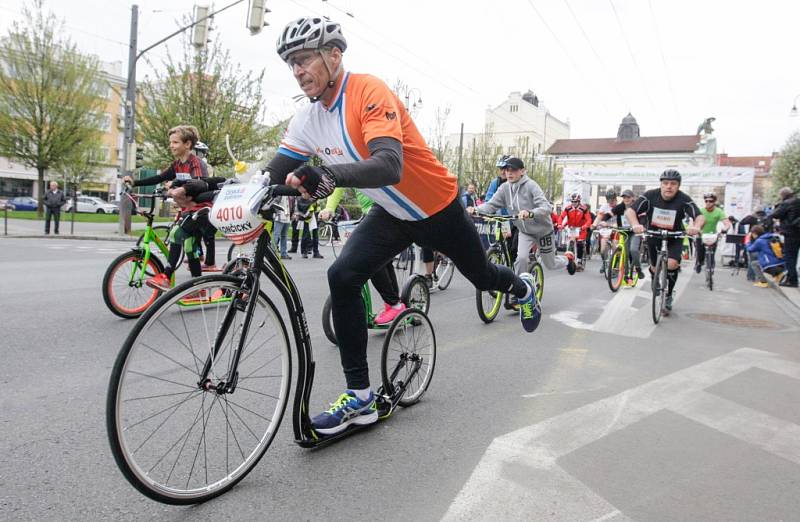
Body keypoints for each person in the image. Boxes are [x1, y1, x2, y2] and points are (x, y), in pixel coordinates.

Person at [269, 17, 539, 435]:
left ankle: (522, 288)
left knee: (483, 276)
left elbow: (389, 165)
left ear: (334, 55)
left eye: (304, 60)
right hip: (393, 216)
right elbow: (274, 174)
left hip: (438, 209)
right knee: (342, 275)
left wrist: (329, 176)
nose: (298, 71)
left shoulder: (367, 91)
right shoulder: (307, 119)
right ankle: (360, 399)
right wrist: (214, 189)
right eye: (292, 64)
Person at [122, 125, 220, 296]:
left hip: (202, 209)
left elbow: (198, 183)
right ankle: (200, 289)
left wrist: (175, 186)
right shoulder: (176, 165)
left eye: (175, 142)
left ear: (188, 144)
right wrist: (135, 182)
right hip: (188, 210)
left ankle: (166, 277)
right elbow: (160, 178)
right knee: (189, 246)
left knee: (175, 234)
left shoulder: (196, 163)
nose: (172, 146)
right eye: (170, 142)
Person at [468, 156, 576, 281]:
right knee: (521, 259)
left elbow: (546, 207)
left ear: (522, 171)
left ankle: (568, 259)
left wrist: (530, 213)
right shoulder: (504, 188)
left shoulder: (531, 186)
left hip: (543, 231)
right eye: (507, 170)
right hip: (525, 232)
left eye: (513, 170)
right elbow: (491, 205)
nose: (509, 173)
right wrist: (475, 210)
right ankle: (520, 290)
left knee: (550, 264)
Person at [320, 188, 405, 324]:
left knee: (371, 259)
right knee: (383, 261)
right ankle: (393, 304)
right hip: (370, 214)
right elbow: (339, 186)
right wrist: (329, 208)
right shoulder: (348, 167)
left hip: (385, 211)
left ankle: (395, 305)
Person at [625, 169, 705, 313]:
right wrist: (636, 224)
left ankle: (668, 295)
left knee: (672, 264)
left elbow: (699, 216)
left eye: (673, 184)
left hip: (675, 236)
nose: (669, 186)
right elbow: (630, 211)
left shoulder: (683, 198)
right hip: (653, 234)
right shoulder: (650, 195)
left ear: (678, 186)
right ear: (661, 184)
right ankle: (653, 273)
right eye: (666, 183)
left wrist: (696, 226)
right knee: (656, 268)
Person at [192, 141, 219, 271]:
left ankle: (210, 262)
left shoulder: (205, 166)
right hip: (199, 202)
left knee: (208, 233)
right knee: (197, 231)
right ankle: (200, 255)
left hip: (207, 202)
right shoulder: (194, 165)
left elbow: (203, 183)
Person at [767, 187, 800, 288]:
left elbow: (775, 214)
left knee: (790, 257)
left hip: (791, 233)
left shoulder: (786, 203)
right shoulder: (798, 201)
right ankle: (792, 278)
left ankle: (792, 280)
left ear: (783, 195)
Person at [694, 192, 731, 273]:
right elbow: (695, 222)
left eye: (710, 201)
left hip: (712, 235)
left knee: (712, 253)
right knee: (700, 254)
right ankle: (699, 263)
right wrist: (696, 229)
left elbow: (726, 222)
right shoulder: (701, 211)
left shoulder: (719, 211)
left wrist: (725, 228)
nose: (708, 203)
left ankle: (711, 267)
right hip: (701, 235)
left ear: (714, 202)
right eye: (706, 201)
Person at [559, 192, 592, 271]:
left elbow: (589, 220)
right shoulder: (568, 208)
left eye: (575, 202)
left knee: (580, 243)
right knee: (570, 243)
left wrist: (584, 226)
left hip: (581, 229)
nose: (573, 203)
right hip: (572, 228)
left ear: (579, 201)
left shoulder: (584, 209)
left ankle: (579, 261)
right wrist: (560, 224)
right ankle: (569, 262)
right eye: (572, 202)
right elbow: (561, 216)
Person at [592, 189, 620, 273]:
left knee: (616, 247)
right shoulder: (604, 207)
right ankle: (604, 263)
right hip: (605, 229)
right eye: (608, 199)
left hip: (616, 228)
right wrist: (594, 225)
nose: (610, 201)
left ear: (615, 198)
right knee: (603, 250)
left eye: (612, 199)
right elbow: (599, 217)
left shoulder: (619, 207)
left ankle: (616, 265)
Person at [271, 194, 292, 259]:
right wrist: (277, 212)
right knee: (276, 235)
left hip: (287, 217)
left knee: (284, 236)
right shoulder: (280, 194)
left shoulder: (290, 194)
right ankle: (273, 253)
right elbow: (274, 203)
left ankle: (283, 253)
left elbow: (291, 204)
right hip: (279, 217)